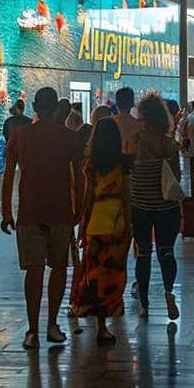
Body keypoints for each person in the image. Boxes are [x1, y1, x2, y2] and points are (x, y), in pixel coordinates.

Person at [2, 86, 85, 349]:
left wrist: (6, 210)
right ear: (56, 109)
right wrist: (79, 207)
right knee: (59, 268)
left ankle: (32, 330)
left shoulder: (19, 135)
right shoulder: (68, 137)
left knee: (34, 271)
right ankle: (52, 324)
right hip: (60, 210)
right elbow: (81, 176)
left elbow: (8, 175)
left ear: (35, 107)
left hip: (29, 211)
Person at [73, 119, 130, 344]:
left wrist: (81, 226)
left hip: (95, 225)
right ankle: (109, 315)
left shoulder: (91, 165)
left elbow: (87, 199)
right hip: (116, 225)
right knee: (113, 274)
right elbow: (126, 199)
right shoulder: (123, 165)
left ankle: (100, 326)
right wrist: (130, 227)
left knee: (94, 275)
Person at [130, 92, 182, 321]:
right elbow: (176, 177)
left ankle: (144, 303)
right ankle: (169, 292)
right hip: (167, 206)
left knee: (143, 253)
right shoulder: (169, 144)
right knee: (166, 251)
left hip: (140, 204)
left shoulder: (134, 143)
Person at [113, 86, 140, 155]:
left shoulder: (106, 123)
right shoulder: (139, 126)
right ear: (132, 104)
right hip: (131, 164)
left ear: (116, 103)